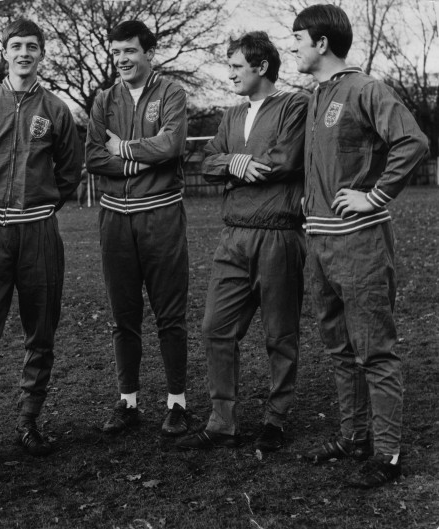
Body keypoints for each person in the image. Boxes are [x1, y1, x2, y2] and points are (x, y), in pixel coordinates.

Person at [291, 4, 429, 487]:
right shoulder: (316, 96)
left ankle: (387, 454)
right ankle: (355, 437)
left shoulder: (366, 88)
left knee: (375, 349)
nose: (294, 47)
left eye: (299, 39)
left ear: (322, 43)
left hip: (361, 242)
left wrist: (374, 196)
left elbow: (412, 142)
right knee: (339, 347)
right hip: (320, 241)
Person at [0, 19, 82, 478]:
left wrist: (39, 207)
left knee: (40, 332)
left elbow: (70, 172)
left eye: (32, 46)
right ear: (3, 52)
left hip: (38, 233)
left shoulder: (57, 110)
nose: (23, 53)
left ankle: (28, 421)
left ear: (42, 54)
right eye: (16, 46)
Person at [176, 32, 308, 452]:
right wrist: (234, 161)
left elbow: (285, 160)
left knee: (279, 334)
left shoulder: (295, 105)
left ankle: (276, 420)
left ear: (262, 67)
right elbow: (206, 160)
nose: (229, 73)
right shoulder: (231, 115)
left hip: (278, 234)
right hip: (232, 236)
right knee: (215, 327)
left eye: (236, 66)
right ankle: (222, 422)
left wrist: (238, 164)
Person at [86, 20, 190, 437]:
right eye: (116, 53)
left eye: (129, 51)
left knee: (169, 314)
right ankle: (128, 401)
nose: (122, 60)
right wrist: (137, 160)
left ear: (149, 52)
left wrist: (124, 149)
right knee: (122, 315)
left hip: (161, 215)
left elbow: (171, 145)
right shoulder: (103, 99)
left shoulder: (171, 92)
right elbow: (94, 156)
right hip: (114, 219)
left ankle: (177, 403)